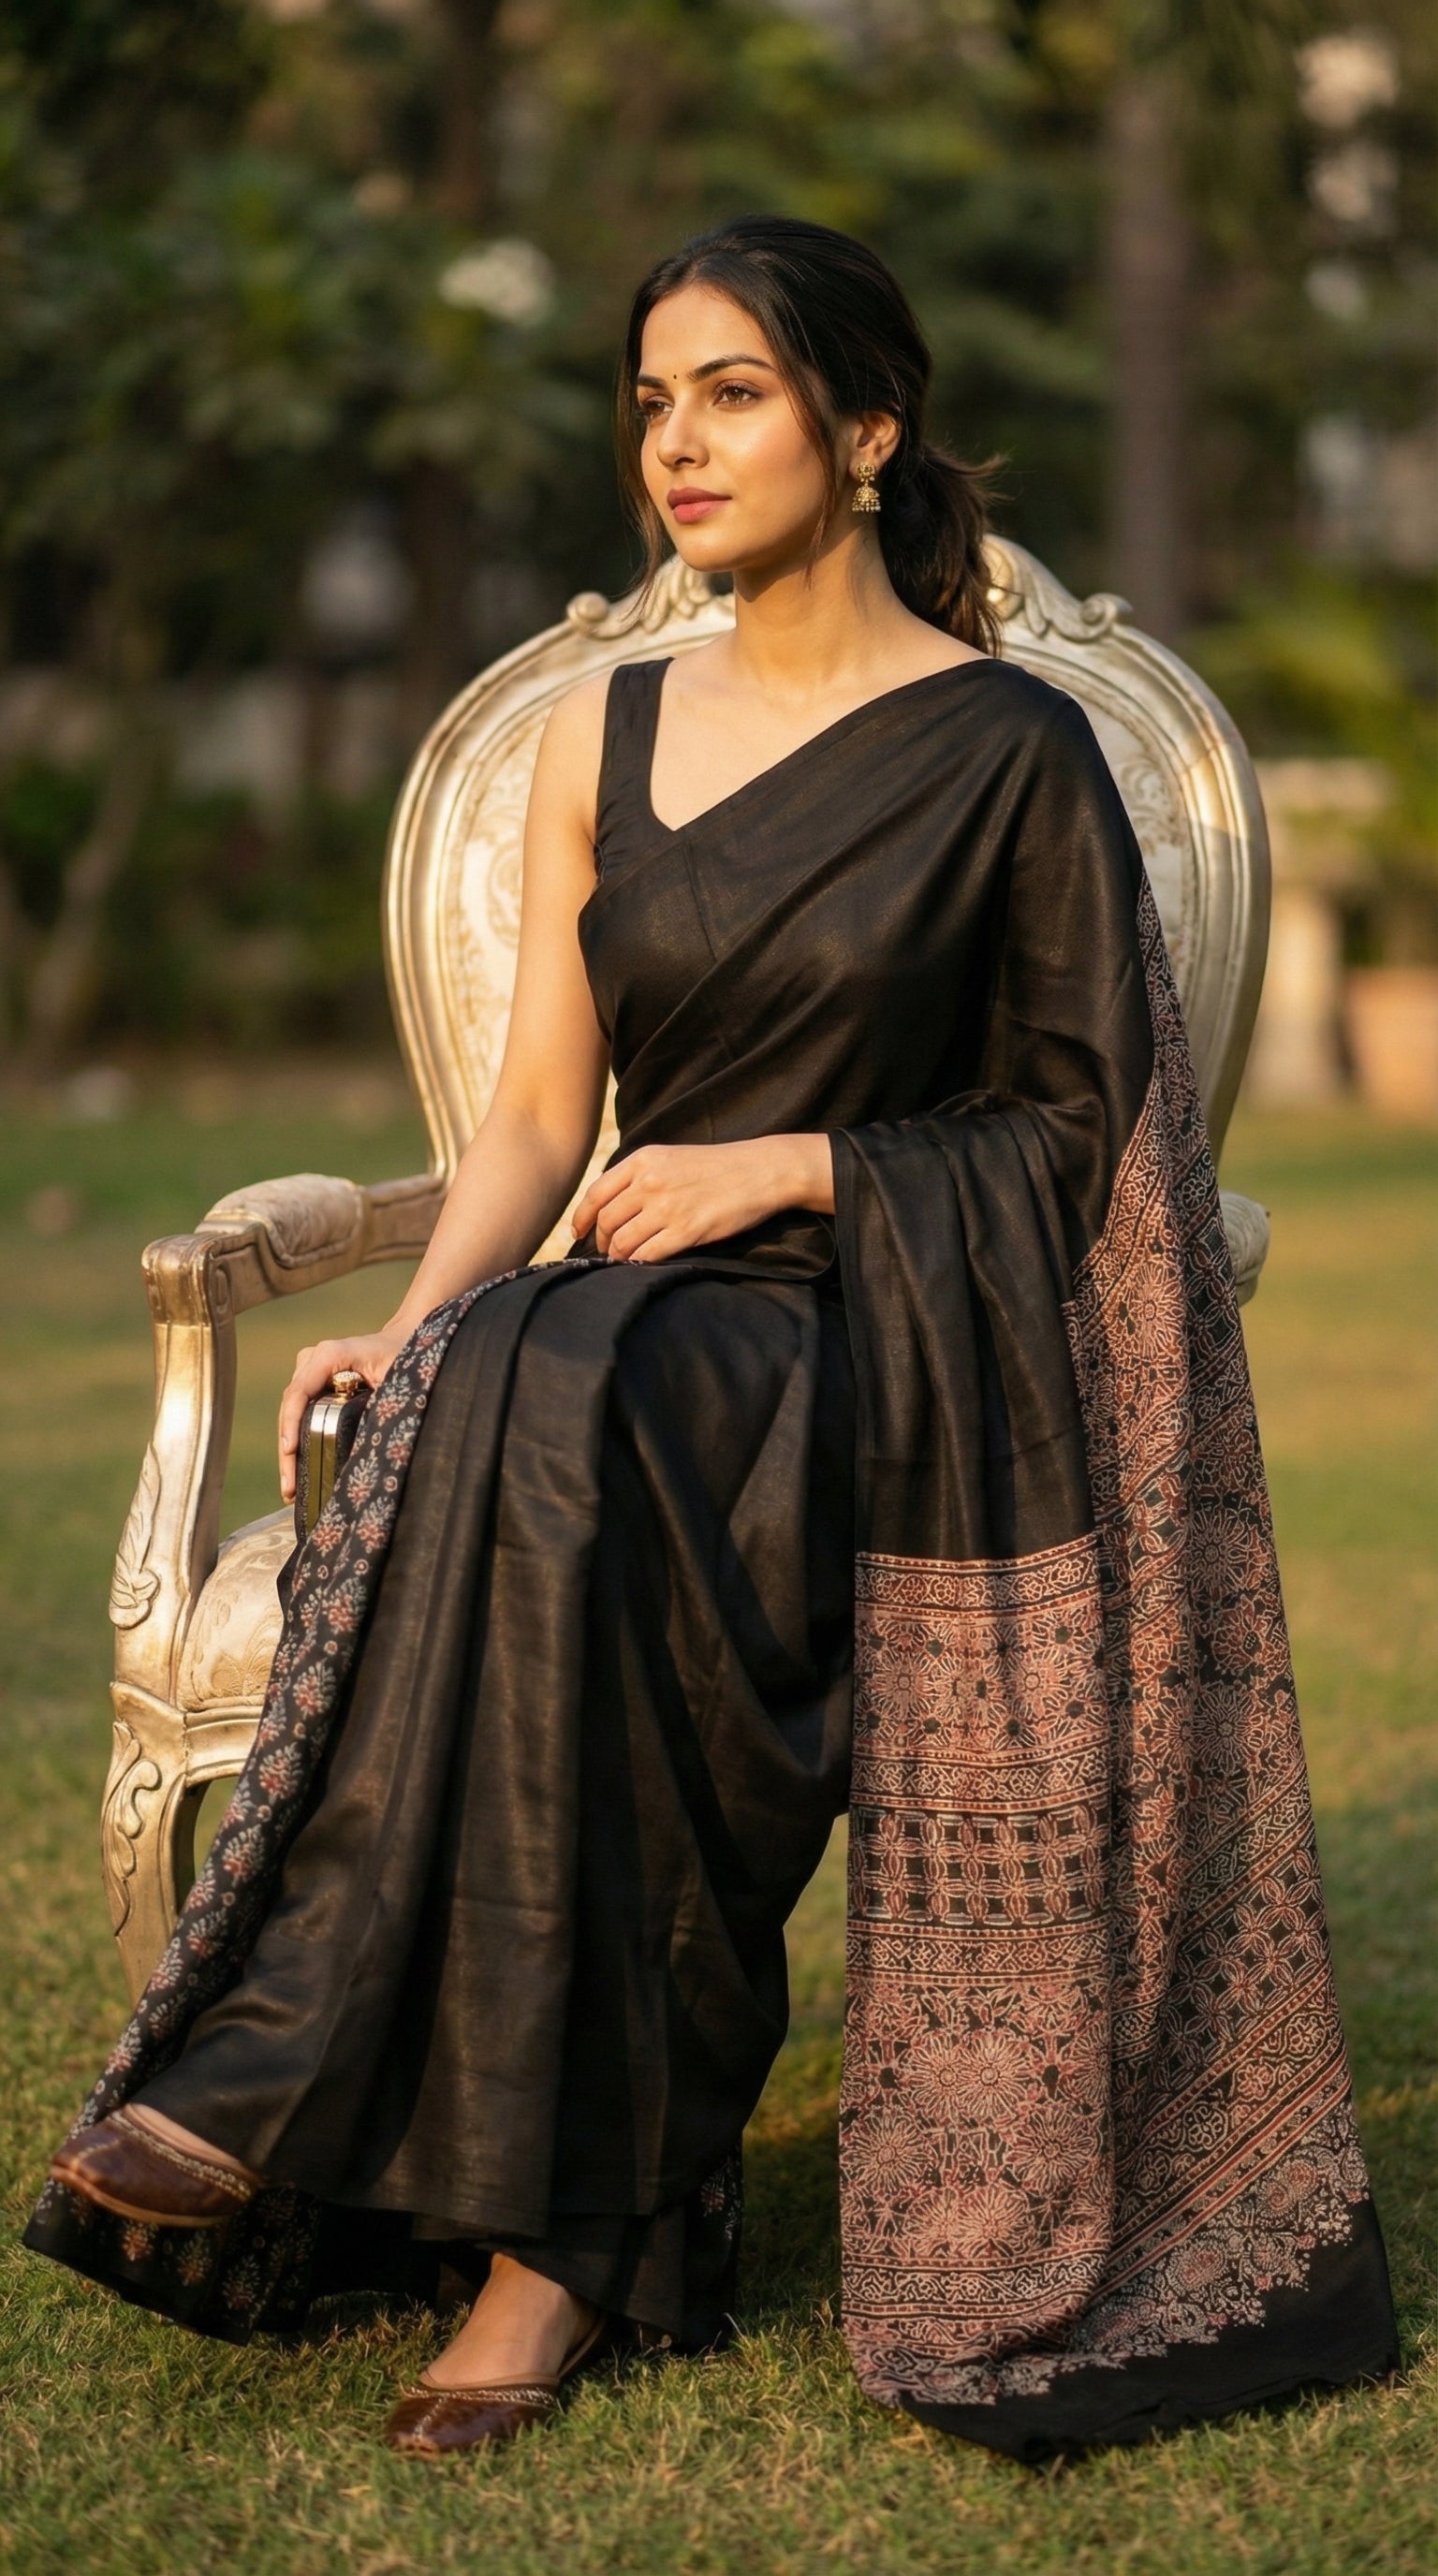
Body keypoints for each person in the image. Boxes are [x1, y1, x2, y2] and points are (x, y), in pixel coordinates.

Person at [26, 217, 1397, 2466]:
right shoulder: (601, 733)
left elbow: (1073, 1139)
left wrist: (788, 1168)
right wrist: (407, 1309)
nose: (676, 440)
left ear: (867, 433)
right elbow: (539, 1120)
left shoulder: (1012, 749)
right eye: (653, 397)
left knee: (574, 1380)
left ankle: (329, 2105)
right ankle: (566, 2225)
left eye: (733, 392)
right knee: (517, 1372)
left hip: (904, 1332)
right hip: (639, 1328)